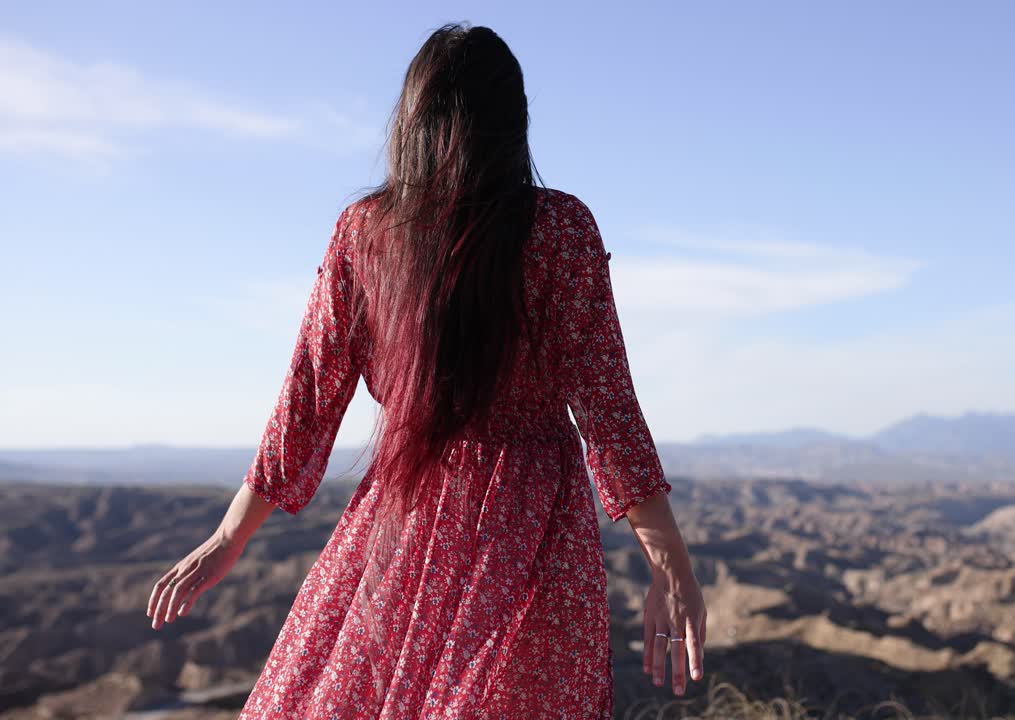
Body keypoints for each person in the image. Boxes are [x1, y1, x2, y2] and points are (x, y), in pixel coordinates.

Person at [143, 21, 705, 718]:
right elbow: (607, 411)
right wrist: (668, 562)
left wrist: (233, 534)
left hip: (407, 515)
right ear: (515, 122)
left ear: (411, 122)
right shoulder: (561, 231)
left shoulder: (367, 234)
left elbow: (309, 396)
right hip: (537, 528)